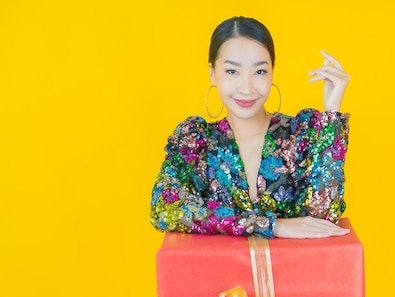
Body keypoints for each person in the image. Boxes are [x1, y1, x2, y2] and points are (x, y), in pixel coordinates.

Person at [150, 16, 351, 238]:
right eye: (232, 71)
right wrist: (271, 225)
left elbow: (322, 217)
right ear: (212, 73)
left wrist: (332, 114)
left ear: (272, 71)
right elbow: (164, 207)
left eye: (259, 72)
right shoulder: (196, 141)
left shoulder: (299, 134)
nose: (246, 88)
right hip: (218, 272)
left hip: (294, 272)